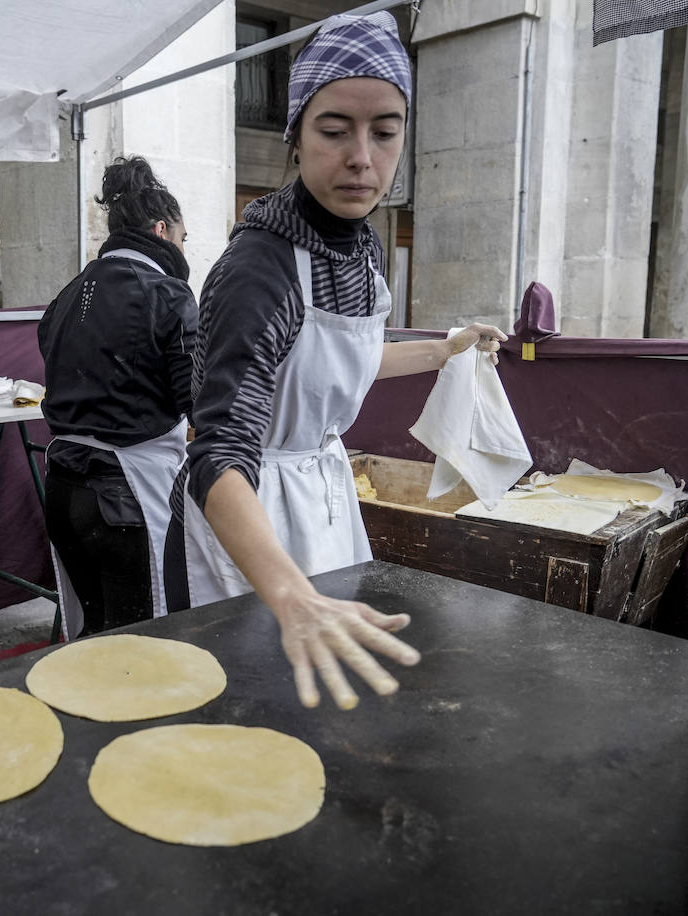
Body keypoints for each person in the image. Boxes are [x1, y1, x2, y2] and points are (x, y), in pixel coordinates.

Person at [168, 12, 506, 710]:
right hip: (249, 519)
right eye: (334, 130)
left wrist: (447, 350)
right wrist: (290, 594)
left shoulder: (361, 245)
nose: (361, 157)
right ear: (294, 135)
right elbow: (219, 451)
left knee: (327, 707)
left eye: (384, 132)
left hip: (322, 497)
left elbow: (334, 367)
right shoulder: (260, 266)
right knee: (249, 713)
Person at [38, 156, 197, 638]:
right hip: (126, 499)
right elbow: (200, 400)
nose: (185, 248)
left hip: (64, 492)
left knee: (93, 636)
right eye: (184, 238)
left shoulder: (65, 296)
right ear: (163, 229)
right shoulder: (169, 294)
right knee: (141, 645)